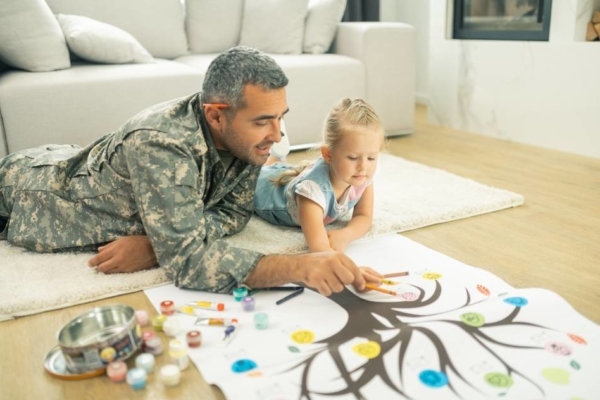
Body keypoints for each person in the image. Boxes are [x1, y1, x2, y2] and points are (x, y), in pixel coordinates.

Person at [0, 46, 371, 296]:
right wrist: (300, 267)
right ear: (215, 114)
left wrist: (158, 244)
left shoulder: (247, 141)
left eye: (279, 119)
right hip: (25, 191)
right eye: (263, 121)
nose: (276, 136)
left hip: (80, 163)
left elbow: (235, 213)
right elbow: (189, 264)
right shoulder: (161, 143)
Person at [254, 98, 384, 283]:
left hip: (291, 179)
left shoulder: (362, 176)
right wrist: (352, 272)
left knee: (279, 170)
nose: (363, 167)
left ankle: (275, 158)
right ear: (328, 154)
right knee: (255, 174)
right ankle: (268, 156)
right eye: (353, 157)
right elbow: (319, 247)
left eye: (371, 157)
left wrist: (346, 234)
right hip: (265, 190)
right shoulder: (312, 191)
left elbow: (364, 216)